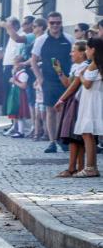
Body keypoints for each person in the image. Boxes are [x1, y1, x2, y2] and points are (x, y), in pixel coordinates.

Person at [31, 11, 74, 153]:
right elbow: (33, 61)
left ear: (62, 23)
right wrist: (40, 78)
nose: (55, 25)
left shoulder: (69, 39)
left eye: (58, 22)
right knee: (50, 110)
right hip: (48, 80)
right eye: (52, 23)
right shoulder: (41, 40)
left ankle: (62, 139)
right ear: (48, 24)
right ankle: (52, 142)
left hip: (66, 80)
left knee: (64, 110)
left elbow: (75, 58)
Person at [53, 40, 89, 177]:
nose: (71, 53)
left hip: (78, 102)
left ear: (82, 53)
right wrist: (59, 71)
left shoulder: (84, 66)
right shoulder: (76, 66)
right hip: (72, 101)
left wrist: (61, 99)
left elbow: (73, 87)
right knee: (76, 136)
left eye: (74, 50)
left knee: (74, 136)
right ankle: (78, 167)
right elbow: (68, 84)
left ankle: (73, 167)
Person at [72, 37, 103, 178]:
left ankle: (90, 167)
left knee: (87, 133)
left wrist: (81, 75)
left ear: (93, 50)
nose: (86, 52)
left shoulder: (94, 64)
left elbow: (87, 84)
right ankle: (92, 166)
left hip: (91, 102)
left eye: (87, 49)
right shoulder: (97, 64)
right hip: (95, 99)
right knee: (90, 133)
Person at [0, 17, 25, 136]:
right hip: (8, 66)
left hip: (12, 67)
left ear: (14, 26)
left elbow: (18, 54)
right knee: (9, 97)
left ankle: (16, 126)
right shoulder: (11, 37)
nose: (6, 27)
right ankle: (13, 124)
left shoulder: (19, 36)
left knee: (13, 97)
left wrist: (14, 69)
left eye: (9, 25)